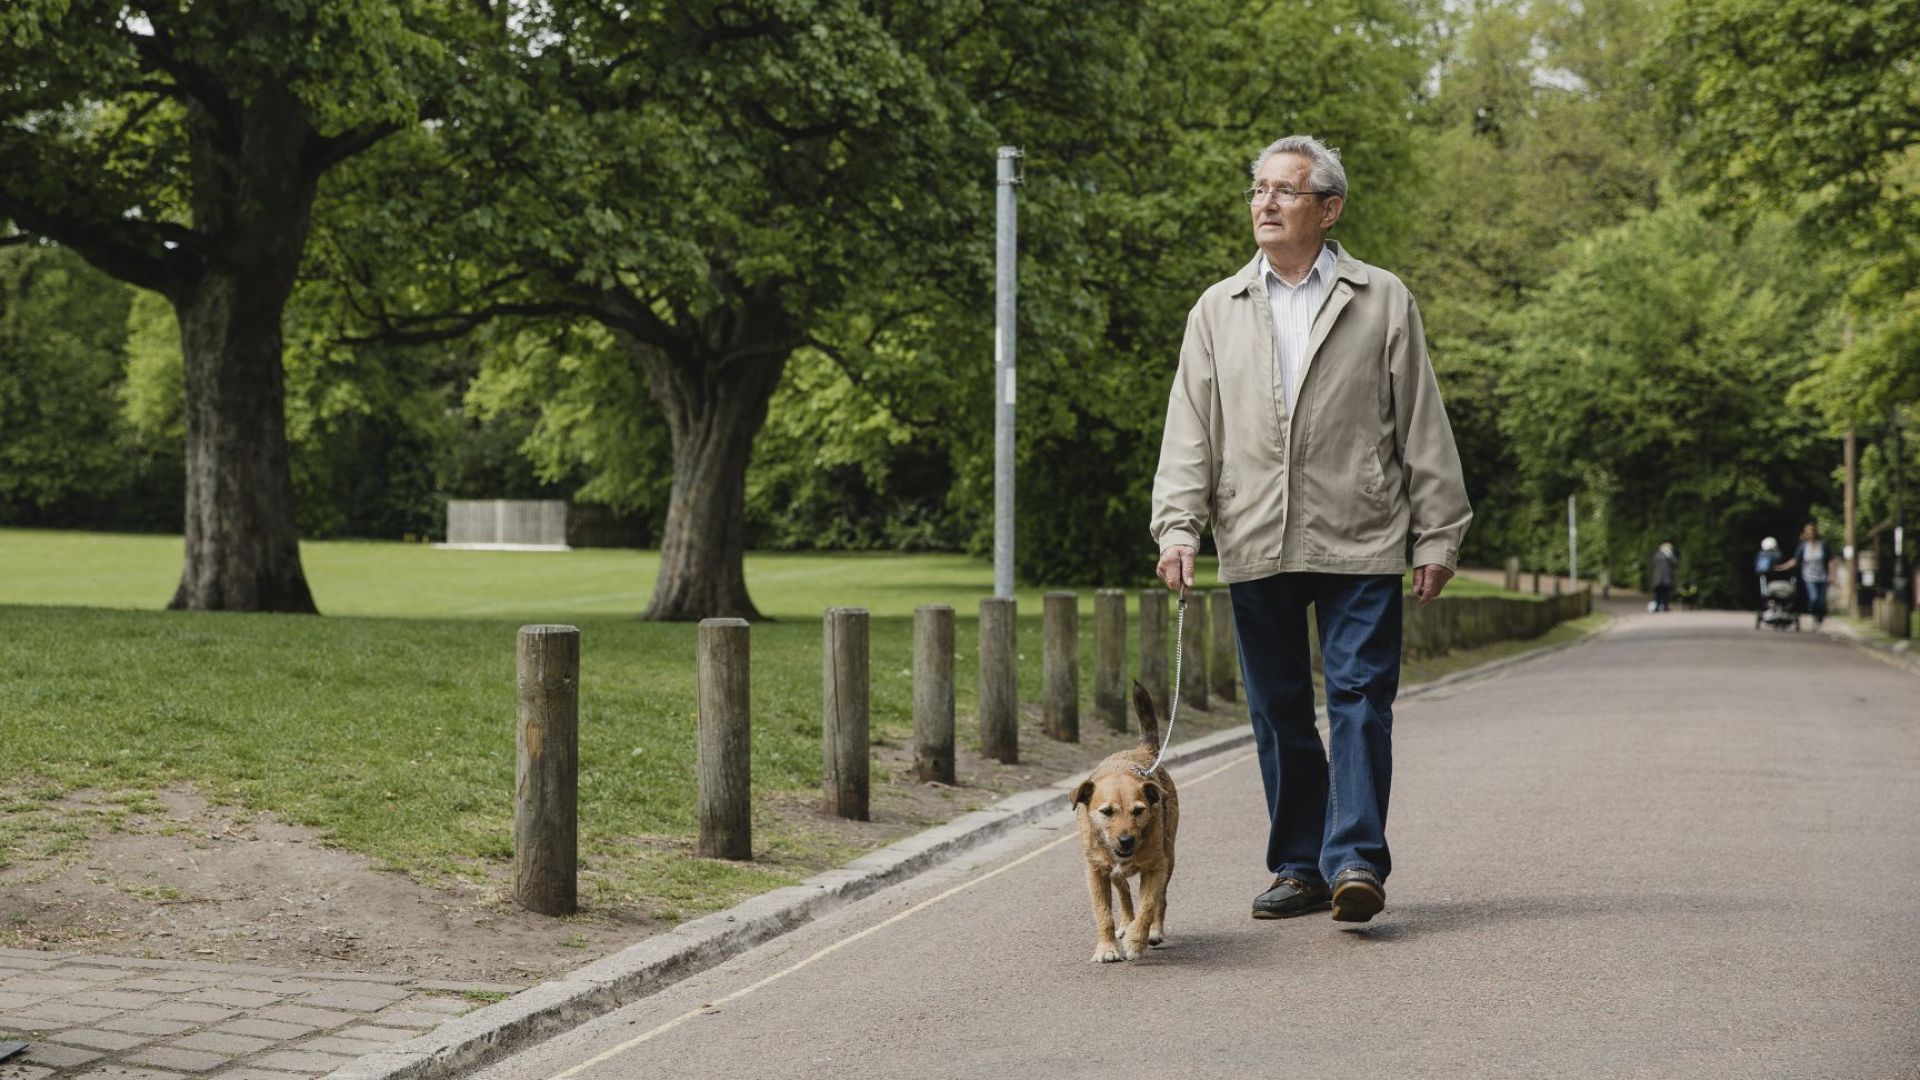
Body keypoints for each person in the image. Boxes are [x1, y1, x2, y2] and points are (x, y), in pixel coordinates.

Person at [1150, 135, 1471, 925]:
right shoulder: (1216, 308)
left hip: (1361, 533)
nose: (1264, 204)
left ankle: (1356, 857)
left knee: (1361, 695)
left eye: (1284, 192)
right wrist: (1178, 526)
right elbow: (1191, 427)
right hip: (1255, 534)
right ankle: (1301, 865)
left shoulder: (1382, 297)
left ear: (1329, 209)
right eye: (1258, 190)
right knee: (1279, 708)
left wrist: (1438, 533)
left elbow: (1421, 422)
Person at [1776, 522, 1828, 627]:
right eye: (1808, 532)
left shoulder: (1823, 545)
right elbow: (1795, 560)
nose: (1810, 534)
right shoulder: (1803, 547)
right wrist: (1782, 567)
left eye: (1812, 531)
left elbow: (1831, 561)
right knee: (1814, 599)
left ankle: (1820, 616)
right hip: (1809, 577)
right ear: (1805, 533)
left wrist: (1831, 575)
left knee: (1822, 601)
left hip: (1822, 576)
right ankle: (1814, 615)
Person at [1754, 536, 1783, 621]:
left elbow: (1757, 568)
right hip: (1777, 580)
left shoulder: (1761, 554)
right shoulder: (1778, 554)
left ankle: (1769, 608)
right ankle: (1776, 607)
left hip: (1764, 578)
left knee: (1766, 593)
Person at [1650, 541, 1678, 612]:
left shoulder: (1663, 555)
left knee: (1664, 593)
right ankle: (1658, 607)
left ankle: (1664, 606)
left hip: (1664, 577)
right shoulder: (1658, 555)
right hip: (1661, 577)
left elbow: (1675, 563)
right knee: (1659, 593)